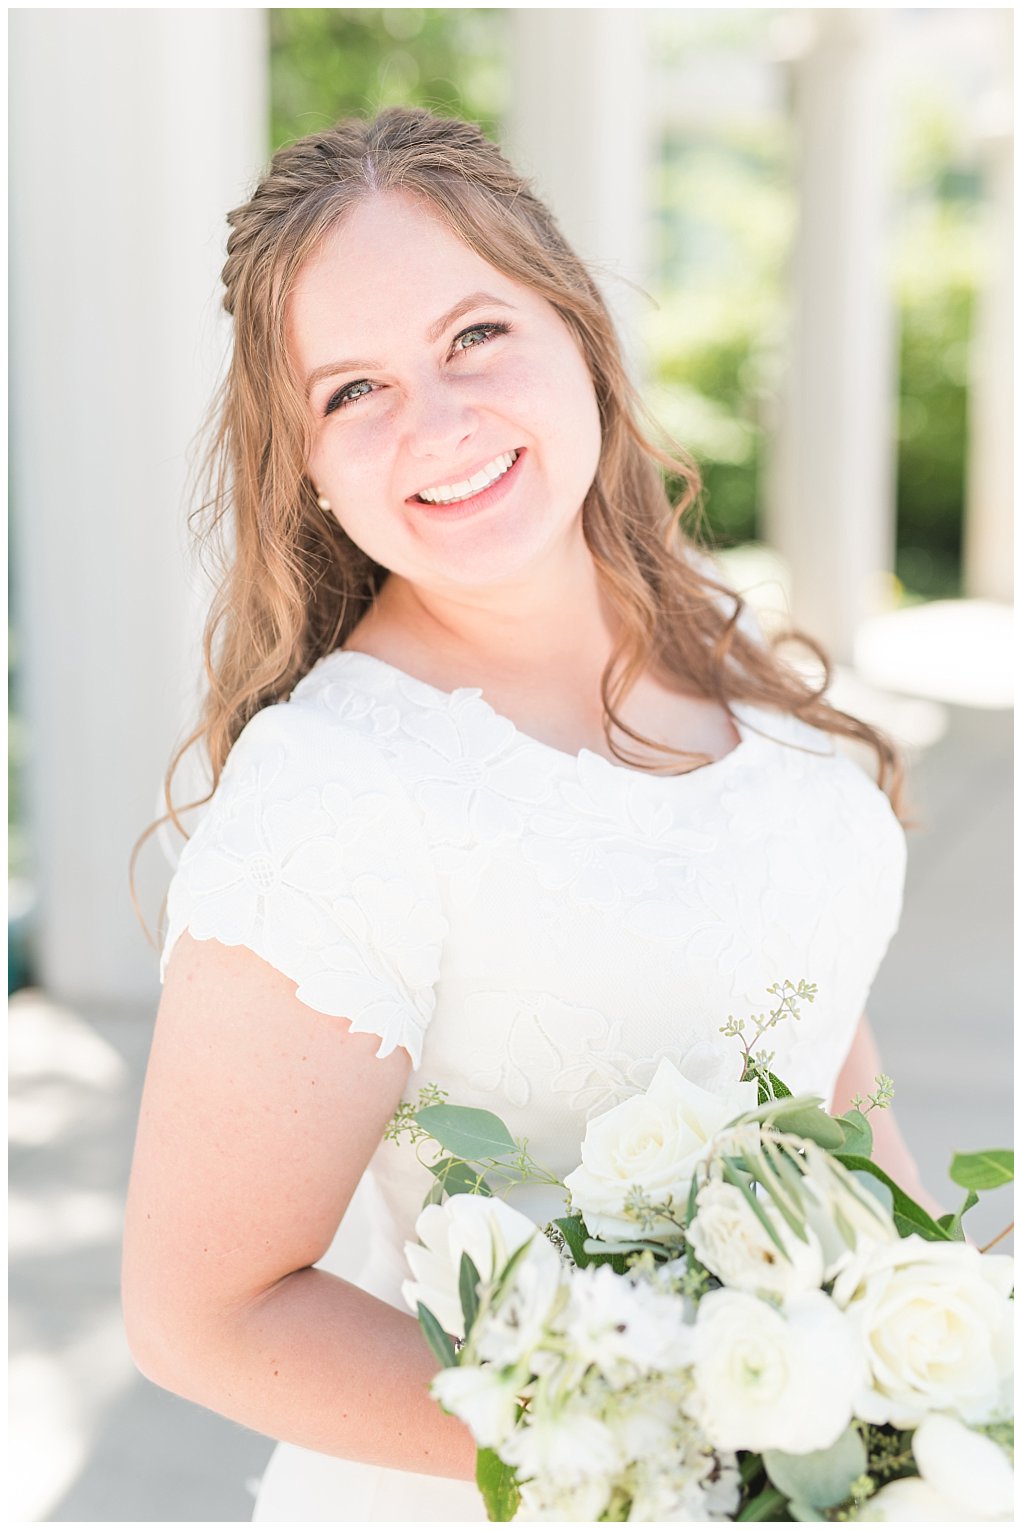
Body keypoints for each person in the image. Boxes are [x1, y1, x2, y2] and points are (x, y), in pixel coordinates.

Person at [120, 107, 923, 1520]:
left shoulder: (737, 667)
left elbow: (815, 1056)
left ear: (578, 333)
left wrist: (916, 1401)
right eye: (352, 390)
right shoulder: (338, 792)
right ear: (302, 459)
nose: (436, 421)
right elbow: (207, 1311)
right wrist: (682, 1452)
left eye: (474, 336)